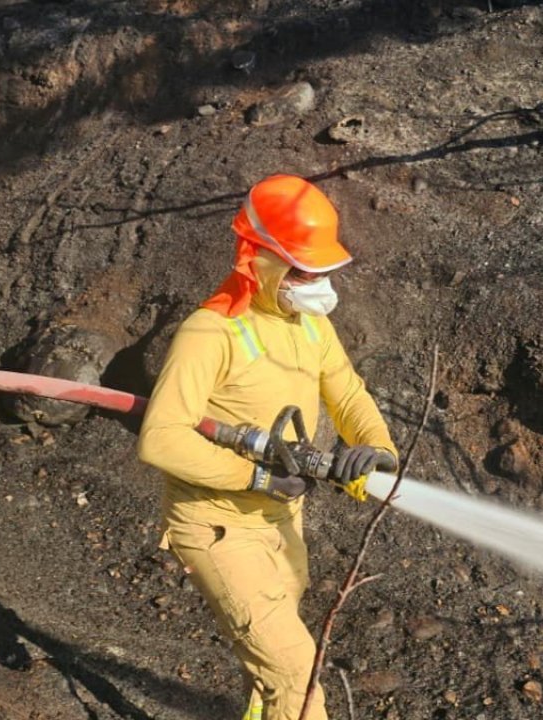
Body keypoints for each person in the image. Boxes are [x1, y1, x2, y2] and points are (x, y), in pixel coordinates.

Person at [138, 174, 397, 719]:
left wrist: (374, 448)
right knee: (295, 674)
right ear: (258, 258)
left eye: (322, 270)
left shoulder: (308, 325)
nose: (317, 283)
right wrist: (254, 478)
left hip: (282, 521)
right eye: (304, 270)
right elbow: (160, 439)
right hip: (217, 527)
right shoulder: (209, 334)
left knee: (272, 672)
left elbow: (347, 391)